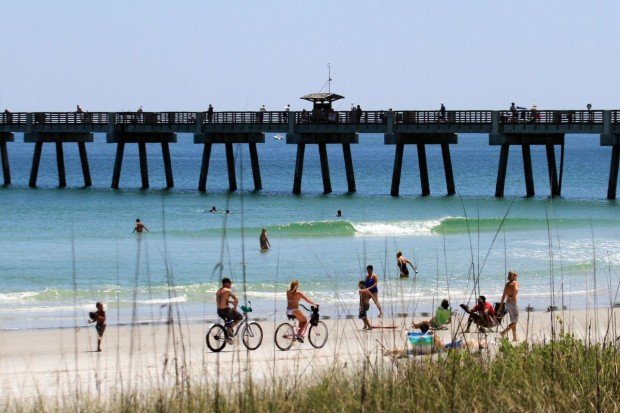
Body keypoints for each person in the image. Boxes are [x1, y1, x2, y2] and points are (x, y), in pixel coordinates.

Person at [216, 278, 242, 343]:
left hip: (219, 311)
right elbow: (236, 299)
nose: (230, 284)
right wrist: (235, 307)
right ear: (225, 283)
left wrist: (230, 302)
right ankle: (229, 329)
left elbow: (223, 300)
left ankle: (227, 336)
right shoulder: (228, 290)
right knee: (240, 317)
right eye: (229, 283)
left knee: (228, 321)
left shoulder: (218, 291)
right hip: (226, 311)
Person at [500, 271, 519, 341]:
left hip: (507, 304)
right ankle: (503, 332)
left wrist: (500, 306)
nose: (516, 276)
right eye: (515, 275)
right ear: (512, 276)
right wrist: (512, 296)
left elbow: (503, 296)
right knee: (515, 322)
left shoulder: (507, 284)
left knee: (513, 321)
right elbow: (516, 290)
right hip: (513, 304)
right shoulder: (515, 283)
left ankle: (514, 338)